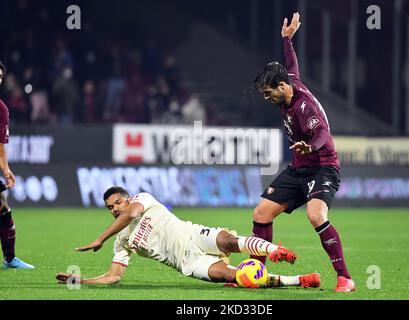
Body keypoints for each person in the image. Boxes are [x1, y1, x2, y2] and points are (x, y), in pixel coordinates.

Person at [250, 12, 355, 292]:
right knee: (261, 213)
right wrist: (287, 40)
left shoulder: (304, 106)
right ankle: (255, 274)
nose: (266, 97)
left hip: (323, 166)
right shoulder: (289, 83)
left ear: (282, 86)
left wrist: (311, 146)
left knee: (316, 215)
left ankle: (345, 278)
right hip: (299, 168)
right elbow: (292, 64)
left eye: (268, 92)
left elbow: (322, 133)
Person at [56, 186, 320, 288]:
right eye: (109, 208)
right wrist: (82, 280)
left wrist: (99, 239)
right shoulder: (121, 240)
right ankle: (301, 281)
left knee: (228, 240)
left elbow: (132, 213)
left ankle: (274, 250)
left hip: (193, 235)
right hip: (188, 263)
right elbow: (113, 276)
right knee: (236, 277)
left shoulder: (141, 200)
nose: (114, 209)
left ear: (127, 198)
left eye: (116, 203)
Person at [0, 61, 34, 269]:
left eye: (0, 76)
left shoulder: (1, 109)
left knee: (2, 206)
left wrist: (5, 169)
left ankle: (10, 259)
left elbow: (0, 145)